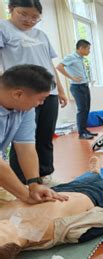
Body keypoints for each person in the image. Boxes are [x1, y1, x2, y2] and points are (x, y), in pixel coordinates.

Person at [0, 157, 103, 259]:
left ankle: (95, 173)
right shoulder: (48, 234)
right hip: (91, 196)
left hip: (55, 192)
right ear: (14, 245)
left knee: (84, 180)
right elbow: (93, 224)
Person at [1, 0, 68, 186]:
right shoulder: (3, 28)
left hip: (48, 91)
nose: (29, 20)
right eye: (23, 14)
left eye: (35, 18)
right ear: (11, 9)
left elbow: (49, 65)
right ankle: (21, 179)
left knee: (44, 135)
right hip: (22, 92)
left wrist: (60, 90)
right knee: (19, 137)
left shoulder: (41, 35)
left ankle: (43, 175)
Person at [0, 65, 68, 204]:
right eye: (41, 99)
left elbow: (26, 147)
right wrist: (26, 196)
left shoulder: (23, 108)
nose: (41, 104)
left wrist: (34, 184)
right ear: (18, 94)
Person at [56, 39, 95, 140]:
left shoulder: (81, 59)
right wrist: (71, 77)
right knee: (82, 109)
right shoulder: (71, 57)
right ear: (81, 48)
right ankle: (81, 133)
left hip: (84, 85)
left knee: (86, 108)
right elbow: (59, 67)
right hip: (77, 87)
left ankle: (85, 130)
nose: (89, 51)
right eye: (88, 49)